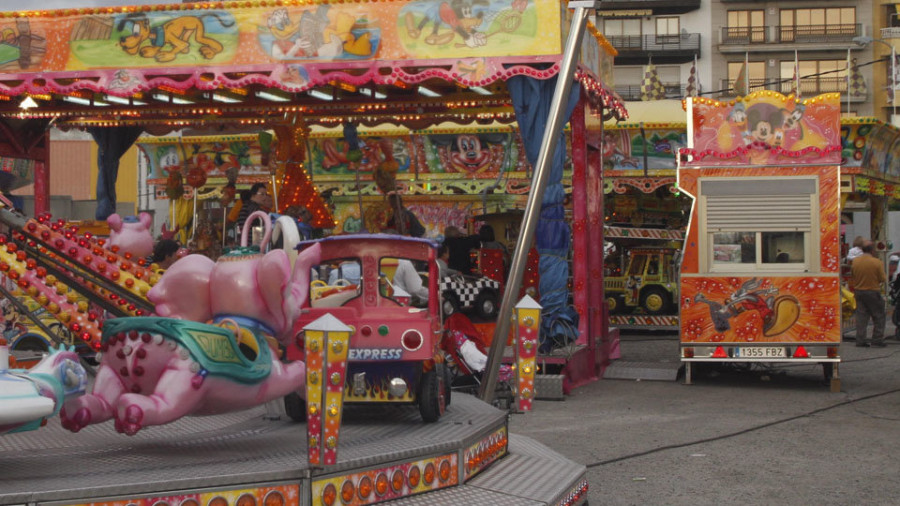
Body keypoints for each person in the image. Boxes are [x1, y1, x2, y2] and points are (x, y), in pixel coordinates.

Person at [850, 240, 887, 347]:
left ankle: (860, 340)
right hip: (872, 291)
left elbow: (853, 275)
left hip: (859, 292)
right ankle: (877, 339)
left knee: (861, 316)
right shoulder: (876, 262)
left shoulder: (855, 262)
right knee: (879, 315)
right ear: (872, 250)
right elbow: (882, 278)